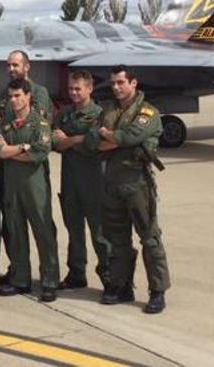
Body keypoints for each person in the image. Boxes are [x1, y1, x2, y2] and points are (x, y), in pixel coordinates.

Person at [85, 65, 170, 314]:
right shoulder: (108, 110)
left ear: (133, 83)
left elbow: (132, 137)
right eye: (113, 83)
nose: (116, 87)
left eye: (121, 82)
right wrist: (113, 139)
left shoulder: (147, 112)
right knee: (117, 240)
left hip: (137, 183)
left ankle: (157, 291)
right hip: (112, 183)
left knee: (150, 238)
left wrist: (110, 138)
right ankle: (122, 286)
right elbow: (91, 141)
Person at [0, 78, 59, 302]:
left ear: (28, 96)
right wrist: (22, 148)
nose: (14, 100)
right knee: (16, 232)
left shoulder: (40, 124)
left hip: (34, 187)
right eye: (10, 96)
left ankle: (49, 281)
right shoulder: (5, 125)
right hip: (12, 187)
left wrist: (10, 152)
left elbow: (39, 151)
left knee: (43, 232)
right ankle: (21, 279)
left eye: (18, 95)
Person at [51, 71, 110, 290]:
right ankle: (76, 273)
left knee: (100, 234)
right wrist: (78, 141)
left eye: (78, 88)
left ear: (89, 89)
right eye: (71, 89)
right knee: (74, 231)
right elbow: (55, 143)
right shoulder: (65, 114)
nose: (74, 93)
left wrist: (71, 140)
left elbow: (95, 142)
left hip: (94, 183)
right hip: (71, 183)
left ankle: (109, 278)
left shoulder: (100, 114)